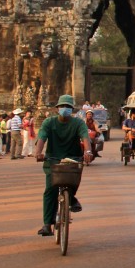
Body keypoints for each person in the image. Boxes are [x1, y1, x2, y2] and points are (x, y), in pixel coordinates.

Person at [34, 95, 93, 237]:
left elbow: (85, 137)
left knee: (74, 181)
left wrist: (88, 151)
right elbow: (42, 137)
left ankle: (71, 197)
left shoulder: (78, 123)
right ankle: (47, 224)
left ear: (72, 109)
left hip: (73, 159)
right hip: (52, 160)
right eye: (62, 107)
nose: (65, 109)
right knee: (50, 190)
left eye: (67, 107)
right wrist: (38, 153)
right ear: (57, 109)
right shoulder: (49, 122)